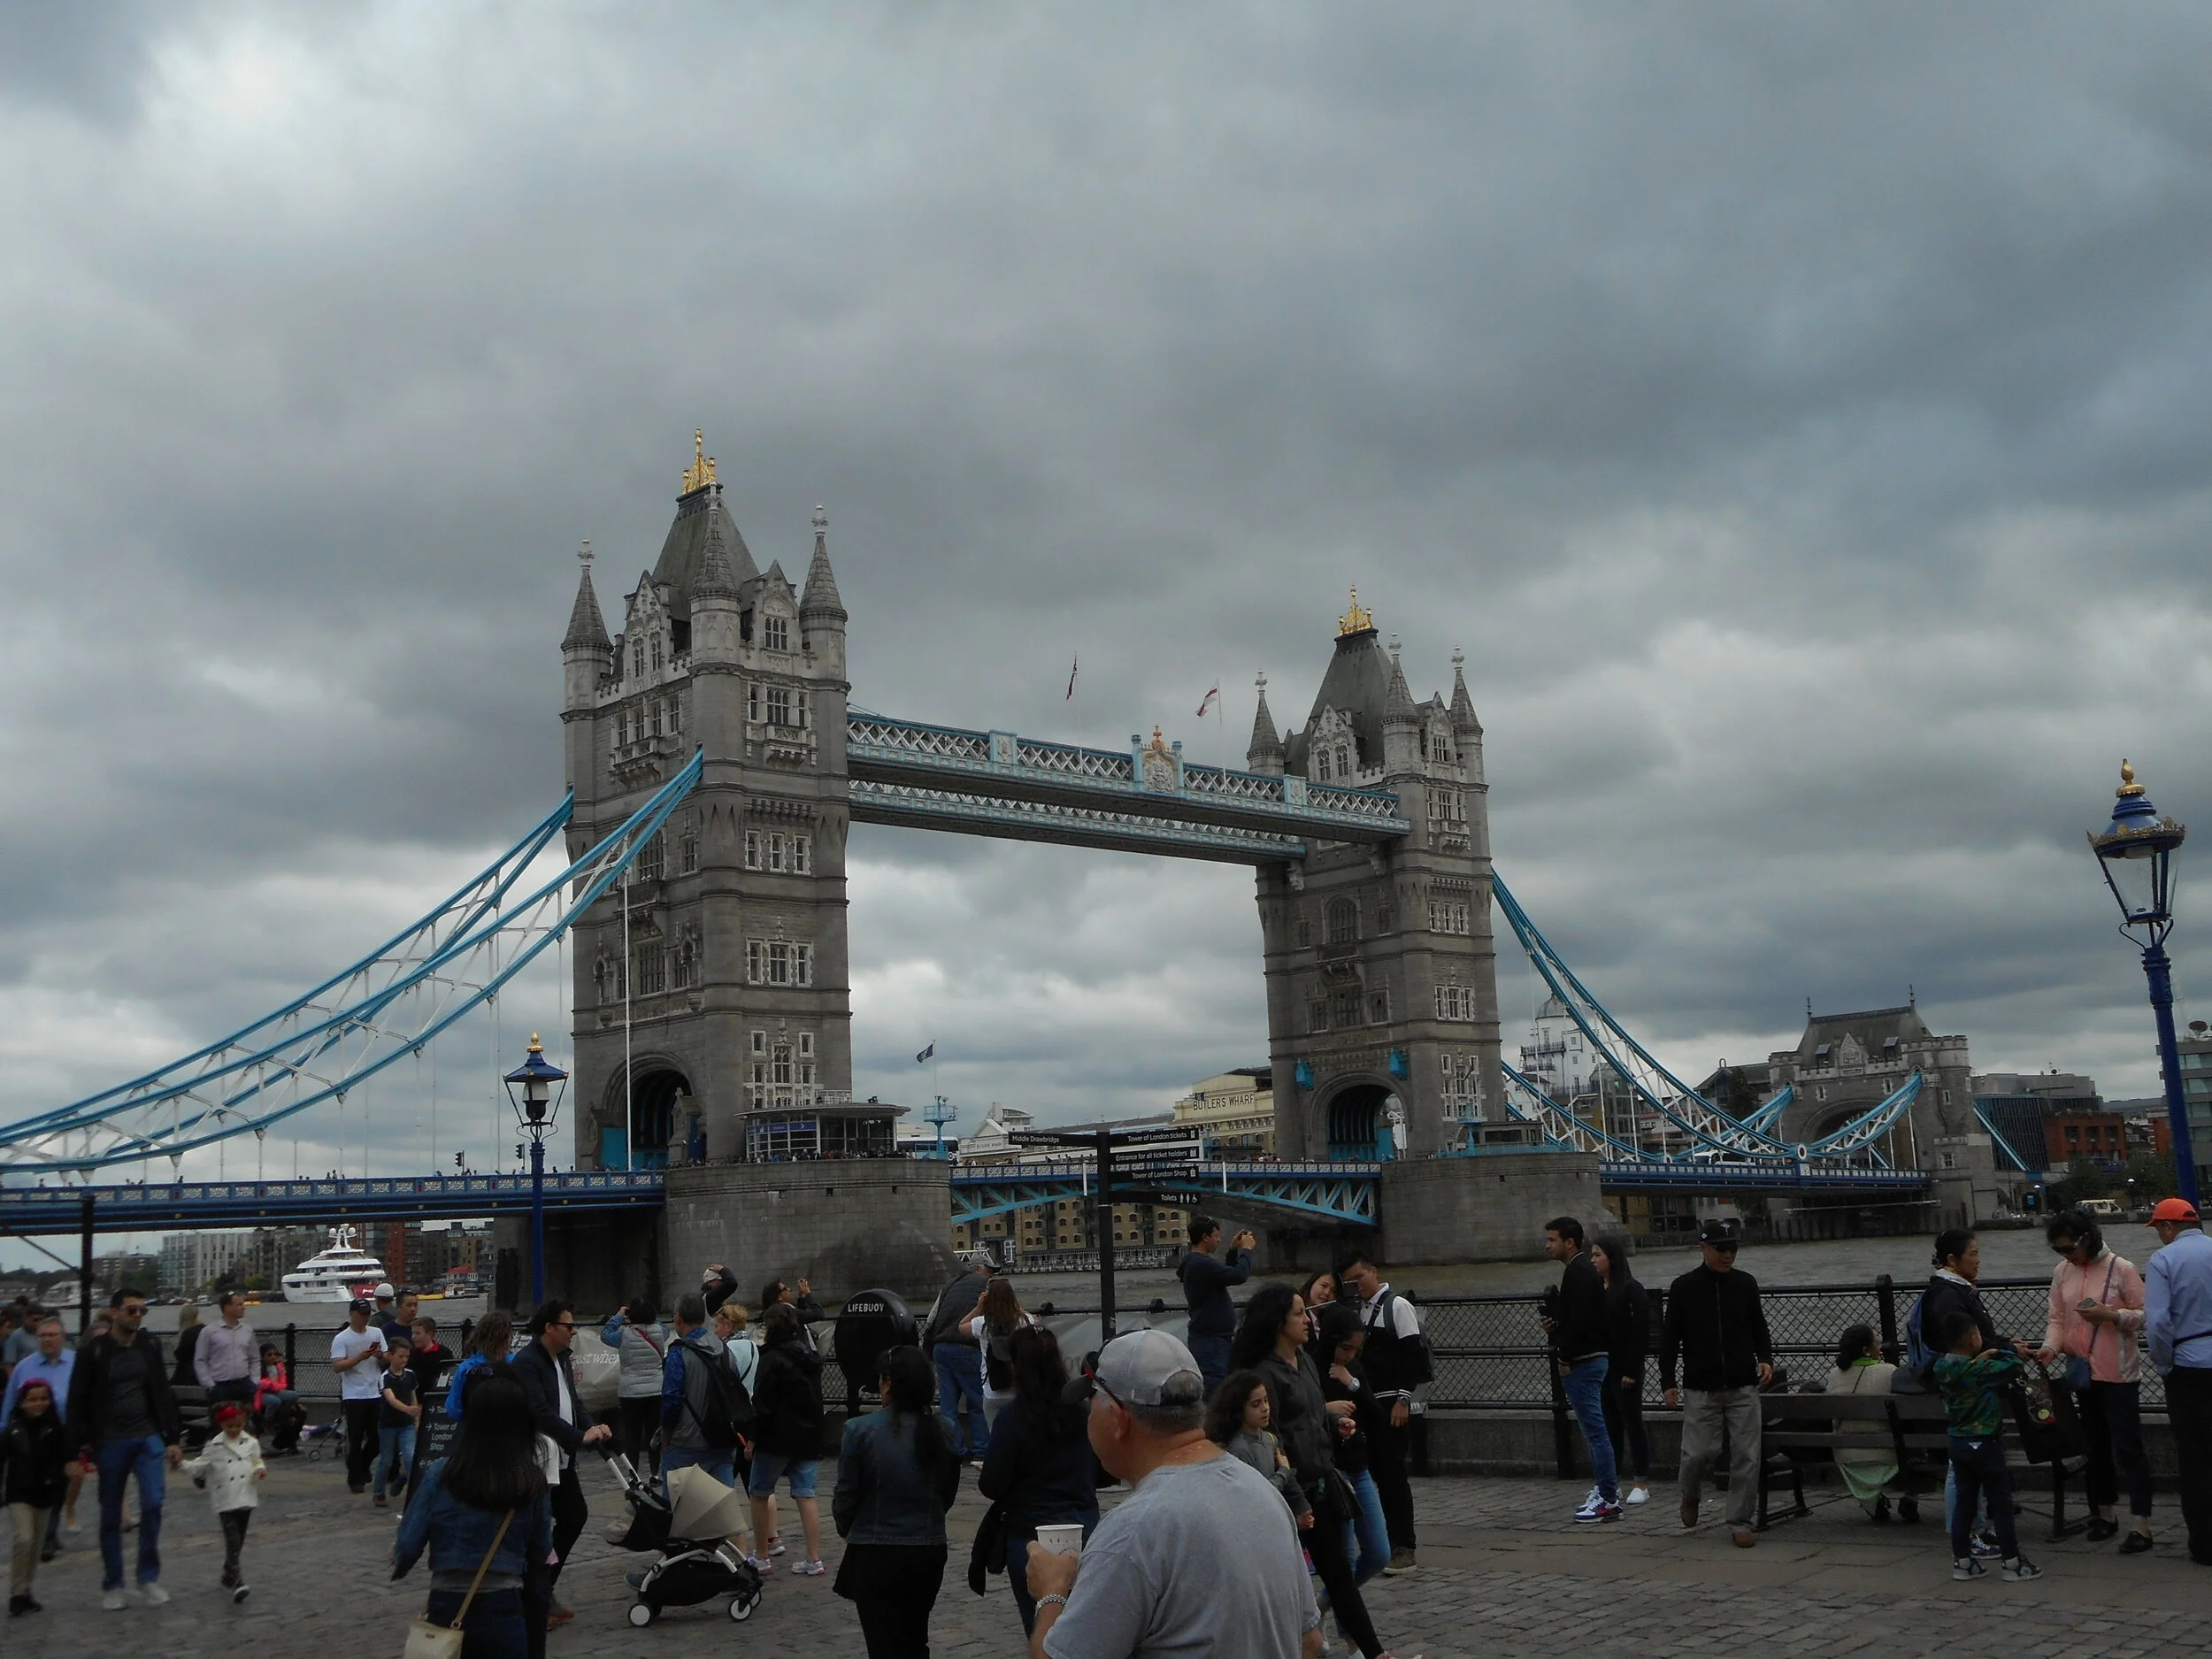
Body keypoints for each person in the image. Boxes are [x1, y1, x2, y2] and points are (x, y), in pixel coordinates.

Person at [1022, 1328, 1325, 1659]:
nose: (1088, 1414)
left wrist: (1051, 1592)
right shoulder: (1265, 1494)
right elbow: (1309, 1642)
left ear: (1119, 1419)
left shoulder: (1132, 1532)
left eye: (1092, 1400)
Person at [1231, 1284, 1388, 1659]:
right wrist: (1296, 1501)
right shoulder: (1265, 1374)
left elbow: (1309, 1421)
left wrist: (1335, 1427)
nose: (1308, 1319)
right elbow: (1271, 1439)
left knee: (1339, 1576)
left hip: (1322, 1482)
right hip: (1289, 1493)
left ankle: (1373, 1653)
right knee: (1283, 1582)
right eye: (1300, 1313)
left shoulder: (1304, 1363)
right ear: (1278, 1322)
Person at [394, 1373, 557, 1659]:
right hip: (504, 1602)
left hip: (447, 1601)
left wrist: (401, 1566)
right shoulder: (530, 1481)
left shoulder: (442, 1473)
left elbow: (408, 1543)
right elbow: (541, 1549)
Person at [833, 1343, 962, 1657]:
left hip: (876, 1551)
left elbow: (846, 1497)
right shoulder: (942, 1429)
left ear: (888, 1382)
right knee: (916, 1637)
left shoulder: (859, 1430)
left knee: (882, 1642)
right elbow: (947, 1492)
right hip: (927, 1548)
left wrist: (850, 1526)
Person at [2036, 1209, 2152, 1550]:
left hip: (2119, 1373)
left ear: (2087, 1239)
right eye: (2059, 1250)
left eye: (2069, 1248)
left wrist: (2111, 1316)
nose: (2066, 1255)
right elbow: (2057, 1319)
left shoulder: (2123, 1269)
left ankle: (2141, 1524)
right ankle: (2105, 1514)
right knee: (2096, 1448)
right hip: (2083, 1374)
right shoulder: (2062, 1272)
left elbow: (2146, 1314)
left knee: (2129, 1448)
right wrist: (2050, 1348)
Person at [1658, 1217, 1773, 1548]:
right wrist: (1668, 1381)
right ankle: (1690, 1493)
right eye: (1721, 1248)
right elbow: (1670, 1340)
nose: (1728, 1255)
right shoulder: (1683, 1287)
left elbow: (1759, 1329)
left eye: (1733, 1248)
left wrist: (1764, 1358)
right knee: (1697, 1454)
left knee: (1746, 1457)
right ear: (1704, 1248)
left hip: (1742, 1384)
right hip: (1701, 1386)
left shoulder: (1746, 1284)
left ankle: (1739, 1520)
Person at [979, 1327, 1102, 1635]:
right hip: (1083, 1528)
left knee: (1042, 1629)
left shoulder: (1013, 1418)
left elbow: (991, 1484)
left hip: (1031, 1534)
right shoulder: (1081, 1412)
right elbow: (1103, 1471)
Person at [66, 1286, 183, 1609]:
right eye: (131, 1310)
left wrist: (172, 1438)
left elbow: (162, 1392)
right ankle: (113, 1583)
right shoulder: (94, 1351)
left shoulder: (149, 1346)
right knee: (109, 1513)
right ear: (114, 1312)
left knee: (153, 1503)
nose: (137, 1316)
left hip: (147, 1436)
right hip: (110, 1439)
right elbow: (77, 1399)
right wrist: (76, 1449)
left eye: (142, 1311)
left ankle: (148, 1577)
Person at [509, 1300, 612, 1627]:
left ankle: (542, 1587)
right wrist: (577, 1437)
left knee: (574, 1516)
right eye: (568, 1326)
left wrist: (592, 1428)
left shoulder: (563, 1359)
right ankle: (533, 1595)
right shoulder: (527, 1362)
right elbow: (540, 1411)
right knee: (538, 1527)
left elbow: (573, 1400)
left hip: (562, 1458)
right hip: (538, 1460)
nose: (574, 1332)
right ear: (549, 1328)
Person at [1336, 1249, 1428, 1572]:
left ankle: (1404, 1546)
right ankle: (1384, 1543)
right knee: (1370, 1473)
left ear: (1374, 1272)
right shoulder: (1357, 1312)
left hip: (1391, 1404)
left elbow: (1413, 1356)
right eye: (1349, 1282)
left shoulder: (1397, 1306)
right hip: (1365, 1401)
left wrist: (1404, 1400)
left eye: (1359, 1278)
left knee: (1392, 1476)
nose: (1356, 1285)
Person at [1933, 1310, 2041, 1582]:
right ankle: (2013, 1563)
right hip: (1985, 1444)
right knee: (2000, 1503)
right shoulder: (1982, 1371)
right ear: (1973, 1338)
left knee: (1965, 1504)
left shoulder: (1942, 1368)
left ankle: (1962, 1561)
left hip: (1958, 1443)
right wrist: (1993, 1352)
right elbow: (2014, 1363)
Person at [2144, 1194, 2212, 1565]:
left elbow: (2157, 1324)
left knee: (2197, 1458)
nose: (2159, 1237)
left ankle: (2205, 1544)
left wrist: (2164, 1364)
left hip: (2189, 1367)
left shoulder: (2164, 1260)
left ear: (2169, 1227)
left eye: (2159, 1229)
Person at [1540, 1216, 1618, 1523]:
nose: (1547, 1245)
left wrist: (1563, 1356)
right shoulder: (1583, 1270)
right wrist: (1557, 1325)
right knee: (1596, 1430)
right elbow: (1579, 1318)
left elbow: (1582, 1323)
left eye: (1552, 1240)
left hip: (1584, 1361)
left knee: (1595, 1432)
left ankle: (1608, 1497)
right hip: (1592, 1356)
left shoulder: (1578, 1272)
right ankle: (1605, 1490)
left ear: (1569, 1242)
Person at [1315, 1303, 1392, 1589]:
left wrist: (1354, 1383)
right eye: (1346, 1348)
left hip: (1358, 1467)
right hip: (1332, 1471)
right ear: (1332, 1341)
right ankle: (1346, 1629)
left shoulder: (1354, 1369)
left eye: (1355, 1350)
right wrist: (1328, 1411)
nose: (1350, 1356)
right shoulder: (1311, 1368)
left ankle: (1322, 1605)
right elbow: (1298, 1418)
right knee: (1344, 1557)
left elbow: (1375, 1416)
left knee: (1378, 1553)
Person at [748, 1302, 826, 1576]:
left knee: (759, 1492)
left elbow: (763, 1403)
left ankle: (761, 1554)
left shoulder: (770, 1358)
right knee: (806, 1494)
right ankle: (814, 1558)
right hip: (807, 1435)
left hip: (776, 1437)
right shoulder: (808, 1355)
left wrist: (753, 1438)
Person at [1, 1317, 75, 1559]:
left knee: (57, 1485)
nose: (47, 1339)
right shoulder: (25, 1366)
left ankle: (49, 1535)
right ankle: (39, 1533)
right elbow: (10, 1402)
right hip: (31, 1437)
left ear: (62, 1337)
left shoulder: (75, 1363)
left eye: (52, 1335)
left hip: (63, 1436)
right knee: (33, 1485)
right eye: (43, 1335)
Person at [179, 1401, 264, 1602]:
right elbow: (198, 1466)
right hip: (225, 1499)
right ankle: (236, 1580)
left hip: (245, 1495)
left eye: (238, 1426)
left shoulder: (251, 1443)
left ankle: (228, 1573)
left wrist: (259, 1469)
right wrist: (180, 1464)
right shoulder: (215, 1446)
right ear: (222, 1425)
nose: (234, 1430)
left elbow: (256, 1460)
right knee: (232, 1539)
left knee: (239, 1539)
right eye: (230, 1427)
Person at [1591, 1233, 1653, 1506]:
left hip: (1625, 1370)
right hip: (1602, 1369)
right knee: (1609, 1426)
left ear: (1612, 1258)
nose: (1593, 1260)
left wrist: (1631, 1369)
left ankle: (1641, 1481)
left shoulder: (1630, 1288)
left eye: (1597, 1255)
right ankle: (1610, 1482)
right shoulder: (1595, 1290)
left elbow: (1641, 1333)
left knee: (1632, 1423)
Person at [2, 1378, 69, 1617]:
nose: (37, 1404)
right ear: (21, 1403)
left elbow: (64, 1459)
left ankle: (26, 1589)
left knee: (36, 1545)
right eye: (32, 1399)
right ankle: (16, 1592)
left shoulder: (56, 1429)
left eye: (42, 1399)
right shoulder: (12, 1431)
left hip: (46, 1493)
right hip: (19, 1493)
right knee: (25, 1539)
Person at [1206, 1367, 1310, 1518]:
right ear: (1239, 1410)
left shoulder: (1269, 1439)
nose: (1265, 1408)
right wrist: (1283, 1473)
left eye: (1266, 1401)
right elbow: (1259, 1495)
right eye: (1256, 1405)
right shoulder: (1239, 1449)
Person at [1822, 1325, 1901, 1520]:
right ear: (1867, 1349)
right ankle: (1911, 1497)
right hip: (1886, 1453)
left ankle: (1872, 1503)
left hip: (1847, 1454)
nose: (1880, 1345)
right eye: (1877, 1342)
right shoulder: (1889, 1372)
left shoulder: (1834, 1376)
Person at [921, 1258, 995, 1463]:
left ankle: (954, 1451)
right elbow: (998, 1315)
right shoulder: (985, 1286)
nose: (992, 1275)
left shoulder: (949, 1285)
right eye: (990, 1270)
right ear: (980, 1270)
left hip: (941, 1347)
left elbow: (931, 1319)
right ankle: (981, 1450)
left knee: (948, 1404)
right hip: (966, 1346)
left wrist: (927, 1348)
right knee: (977, 1401)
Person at [1177, 1217, 1255, 1397]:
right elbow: (1239, 1275)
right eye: (1216, 1236)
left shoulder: (1198, 1263)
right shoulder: (1200, 1263)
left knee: (1224, 1389)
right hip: (1211, 1343)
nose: (1219, 1240)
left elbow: (1224, 1275)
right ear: (1205, 1237)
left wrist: (1233, 1251)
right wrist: (1247, 1250)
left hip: (1214, 1340)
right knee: (1216, 1393)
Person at [602, 1294, 670, 1476]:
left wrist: (618, 1316)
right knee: (654, 1433)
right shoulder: (661, 1332)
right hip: (656, 1389)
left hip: (630, 1392)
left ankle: (634, 1474)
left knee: (632, 1435)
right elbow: (663, 1326)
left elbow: (605, 1335)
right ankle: (655, 1473)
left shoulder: (623, 1335)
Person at [964, 1279, 1036, 1440]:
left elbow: (962, 1326)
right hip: (1018, 1388)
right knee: (1021, 1436)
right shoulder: (1023, 1322)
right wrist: (1016, 1307)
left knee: (995, 1437)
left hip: (992, 1389)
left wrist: (979, 1308)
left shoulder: (981, 1324)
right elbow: (1035, 1322)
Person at [331, 1298, 388, 1494]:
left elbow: (387, 1358)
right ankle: (355, 1478)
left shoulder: (376, 1333)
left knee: (378, 1437)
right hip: (353, 1393)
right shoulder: (342, 1338)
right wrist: (358, 1358)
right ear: (352, 1314)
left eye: (367, 1314)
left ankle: (362, 1466)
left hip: (374, 1391)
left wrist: (380, 1355)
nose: (365, 1318)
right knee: (355, 1438)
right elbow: (338, 1366)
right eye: (362, 1314)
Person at [194, 1293, 258, 1418]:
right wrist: (210, 1384)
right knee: (220, 1424)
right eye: (239, 1305)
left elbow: (254, 1358)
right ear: (227, 1307)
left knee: (249, 1423)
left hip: (244, 1383)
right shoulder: (209, 1332)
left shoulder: (247, 1330)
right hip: (220, 1386)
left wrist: (254, 1381)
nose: (243, 1307)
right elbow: (200, 1360)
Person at [377, 1339, 423, 1512]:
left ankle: (415, 1493)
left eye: (406, 1356)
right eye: (400, 1356)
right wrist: (409, 1410)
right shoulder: (385, 1378)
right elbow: (391, 1400)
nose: (404, 1360)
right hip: (388, 1424)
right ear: (390, 1356)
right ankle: (379, 1491)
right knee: (386, 1460)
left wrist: (415, 1418)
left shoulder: (410, 1375)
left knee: (411, 1457)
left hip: (405, 1424)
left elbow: (413, 1396)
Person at [443, 1312, 514, 1420]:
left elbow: (453, 1409)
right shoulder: (517, 1363)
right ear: (508, 1337)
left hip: (475, 1428)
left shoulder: (466, 1368)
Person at [255, 1346, 302, 1455]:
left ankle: (281, 1414)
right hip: (262, 1394)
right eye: (269, 1355)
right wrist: (270, 1384)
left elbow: (283, 1383)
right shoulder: (259, 1368)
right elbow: (259, 1384)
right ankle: (267, 1420)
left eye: (274, 1354)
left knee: (294, 1395)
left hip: (275, 1391)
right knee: (274, 1401)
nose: (273, 1357)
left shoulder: (279, 1367)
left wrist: (274, 1385)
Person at [167, 1304, 203, 1389]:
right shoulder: (202, 1331)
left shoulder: (186, 1335)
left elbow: (180, 1355)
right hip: (199, 1376)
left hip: (185, 1377)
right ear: (196, 1316)